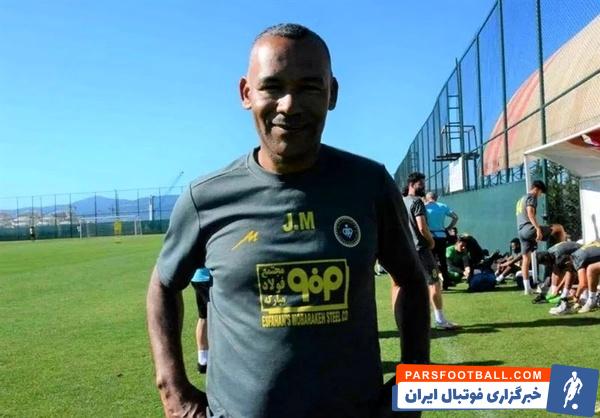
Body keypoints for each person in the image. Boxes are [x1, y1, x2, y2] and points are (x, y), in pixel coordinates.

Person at [146, 23, 430, 418]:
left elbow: (411, 281)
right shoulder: (205, 198)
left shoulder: (369, 185)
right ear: (246, 93)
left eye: (310, 87)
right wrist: (171, 389)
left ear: (332, 93)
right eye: (273, 86)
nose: (289, 105)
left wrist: (414, 384)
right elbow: (163, 284)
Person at [401, 172, 458, 330]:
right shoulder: (417, 202)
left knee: (412, 286)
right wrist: (431, 241)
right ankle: (440, 321)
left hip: (408, 249)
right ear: (412, 184)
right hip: (421, 248)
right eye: (421, 184)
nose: (423, 187)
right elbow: (422, 227)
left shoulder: (402, 202)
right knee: (434, 283)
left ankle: (412, 321)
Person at [515, 180, 566, 295]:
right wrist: (537, 228)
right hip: (529, 229)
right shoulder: (531, 197)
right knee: (559, 228)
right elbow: (530, 213)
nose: (540, 195)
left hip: (521, 231)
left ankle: (527, 289)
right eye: (541, 193)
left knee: (526, 259)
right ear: (537, 189)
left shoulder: (521, 199)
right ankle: (562, 254)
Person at [424, 192, 458, 289]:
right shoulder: (443, 206)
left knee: (431, 261)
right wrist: (448, 228)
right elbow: (455, 217)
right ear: (436, 197)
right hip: (442, 236)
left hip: (430, 236)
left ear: (427, 198)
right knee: (443, 260)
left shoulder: (424, 207)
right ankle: (446, 282)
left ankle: (433, 282)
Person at [190, 268, 211, 374]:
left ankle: (203, 361)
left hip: (197, 278)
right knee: (217, 318)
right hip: (208, 279)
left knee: (203, 317)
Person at [571, 240, 600, 313]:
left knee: (591, 269)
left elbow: (583, 284)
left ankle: (591, 300)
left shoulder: (576, 259)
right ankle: (592, 298)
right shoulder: (580, 253)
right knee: (592, 270)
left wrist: (576, 296)